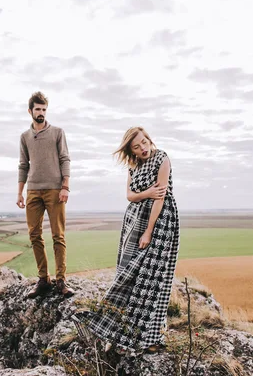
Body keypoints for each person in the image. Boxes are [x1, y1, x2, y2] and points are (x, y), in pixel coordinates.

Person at [74, 126, 180, 353]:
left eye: (144, 142)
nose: (142, 148)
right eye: (136, 146)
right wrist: (146, 194)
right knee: (126, 274)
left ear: (149, 139)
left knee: (152, 280)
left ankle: (151, 338)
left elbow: (160, 199)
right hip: (133, 221)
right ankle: (120, 334)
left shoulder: (162, 158)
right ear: (130, 151)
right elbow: (130, 195)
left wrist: (149, 231)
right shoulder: (133, 165)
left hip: (159, 222)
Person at [17, 91, 74, 298]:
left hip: (55, 190)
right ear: (30, 111)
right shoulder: (25, 137)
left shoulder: (57, 132)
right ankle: (43, 280)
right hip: (33, 190)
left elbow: (65, 159)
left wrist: (65, 186)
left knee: (58, 236)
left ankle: (61, 281)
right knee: (34, 235)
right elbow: (23, 165)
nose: (41, 113)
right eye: (37, 109)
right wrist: (20, 193)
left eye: (44, 109)